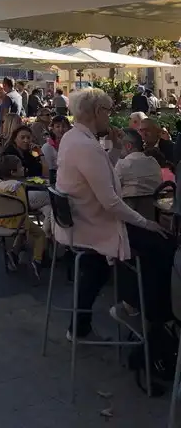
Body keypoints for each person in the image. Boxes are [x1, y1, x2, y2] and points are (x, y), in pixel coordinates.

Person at [55, 88, 174, 342]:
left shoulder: (72, 138)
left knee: (97, 265)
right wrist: (146, 223)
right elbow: (110, 201)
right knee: (163, 244)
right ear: (98, 111)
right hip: (94, 225)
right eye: (108, 110)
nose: (110, 116)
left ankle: (82, 325)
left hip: (80, 223)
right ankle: (151, 317)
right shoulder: (86, 146)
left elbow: (101, 173)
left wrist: (117, 149)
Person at [0, 154, 47, 281]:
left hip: (0, 219)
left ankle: (14, 253)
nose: (24, 168)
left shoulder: (0, 185)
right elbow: (23, 208)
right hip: (16, 221)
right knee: (40, 234)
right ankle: (37, 261)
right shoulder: (18, 186)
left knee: (22, 229)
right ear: (13, 172)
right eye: (21, 167)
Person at [114, 128, 162, 200]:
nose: (116, 148)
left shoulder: (122, 165)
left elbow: (110, 188)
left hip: (128, 209)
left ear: (128, 146)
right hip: (153, 210)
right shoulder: (153, 161)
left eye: (118, 145)